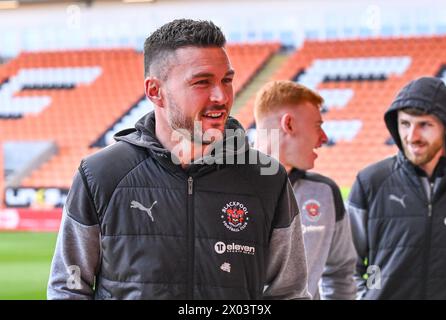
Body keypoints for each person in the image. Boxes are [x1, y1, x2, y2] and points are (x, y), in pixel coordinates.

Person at [47, 19, 310, 300]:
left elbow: (289, 292)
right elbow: (68, 289)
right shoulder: (100, 174)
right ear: (154, 91)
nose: (221, 96)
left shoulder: (267, 178)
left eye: (227, 80)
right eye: (202, 82)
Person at [347, 76, 446, 299]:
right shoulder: (371, 181)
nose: (412, 136)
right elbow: (345, 264)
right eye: (405, 124)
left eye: (425, 125)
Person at [253, 80, 357, 300]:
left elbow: (341, 272)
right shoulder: (223, 187)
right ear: (289, 124)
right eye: (318, 125)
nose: (324, 138)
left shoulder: (325, 192)